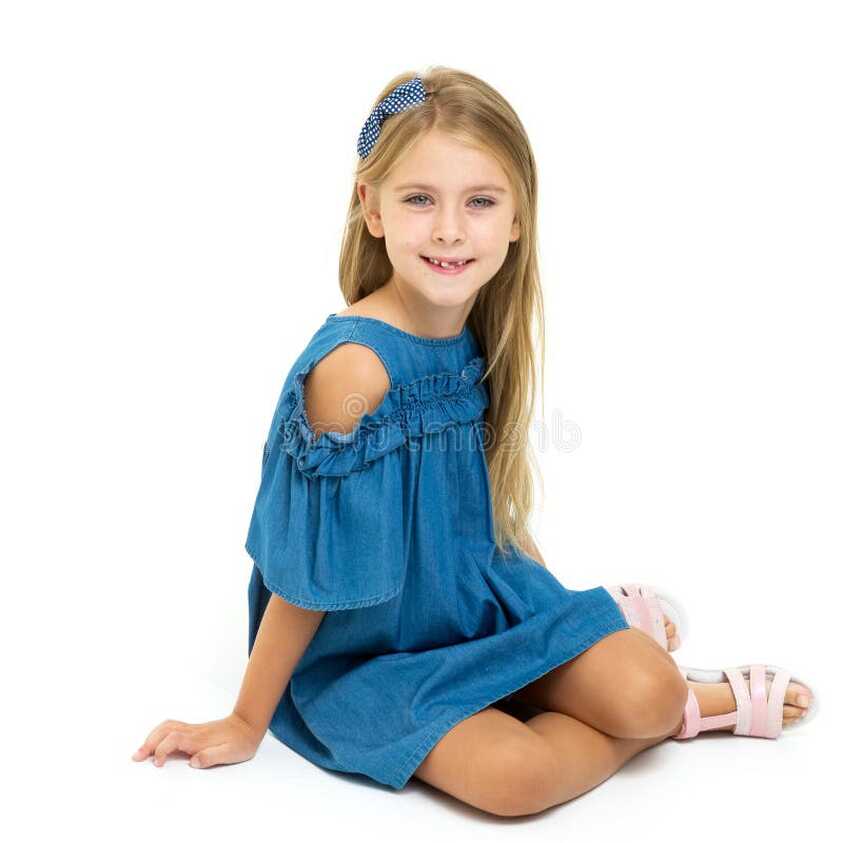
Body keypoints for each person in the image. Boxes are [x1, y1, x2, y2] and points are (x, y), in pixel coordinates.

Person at [131, 67, 817, 816]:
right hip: (374, 657)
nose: (450, 229)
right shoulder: (354, 368)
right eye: (419, 198)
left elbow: (472, 514)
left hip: (473, 606)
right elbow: (305, 570)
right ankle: (661, 713)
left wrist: (549, 611)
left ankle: (654, 697)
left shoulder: (472, 331)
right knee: (516, 781)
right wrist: (244, 720)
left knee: (649, 689)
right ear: (372, 208)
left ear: (517, 218)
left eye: (480, 202)